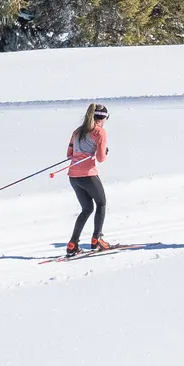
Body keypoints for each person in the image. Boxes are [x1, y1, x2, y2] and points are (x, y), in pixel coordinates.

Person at [64, 103, 111, 256]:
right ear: (103, 118)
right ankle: (96, 239)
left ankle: (73, 244)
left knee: (87, 209)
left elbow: (69, 154)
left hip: (73, 176)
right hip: (88, 175)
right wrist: (102, 150)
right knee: (101, 204)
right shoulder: (100, 132)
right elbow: (101, 158)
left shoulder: (77, 132)